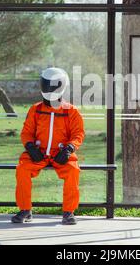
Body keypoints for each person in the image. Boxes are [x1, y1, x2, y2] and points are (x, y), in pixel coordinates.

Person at [11, 67, 85, 225]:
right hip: (39, 153)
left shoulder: (71, 111)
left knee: (73, 171)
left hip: (62, 153)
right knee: (22, 169)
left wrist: (69, 149)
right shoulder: (36, 109)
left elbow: (78, 134)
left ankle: (68, 212)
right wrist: (30, 147)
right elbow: (26, 132)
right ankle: (25, 209)